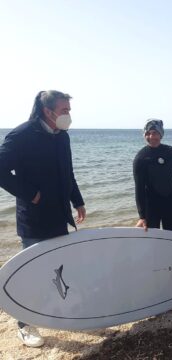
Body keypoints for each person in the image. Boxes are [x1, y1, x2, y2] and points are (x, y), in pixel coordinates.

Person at [0, 90, 86, 347]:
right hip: (34, 219)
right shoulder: (22, 135)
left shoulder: (62, 137)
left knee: (60, 267)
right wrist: (31, 195)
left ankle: (57, 312)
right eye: (64, 111)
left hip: (59, 215)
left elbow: (67, 173)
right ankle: (25, 325)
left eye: (69, 110)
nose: (68, 116)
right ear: (47, 111)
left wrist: (78, 200)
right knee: (33, 271)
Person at [133, 118, 172, 232]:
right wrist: (142, 217)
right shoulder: (141, 158)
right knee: (152, 242)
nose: (151, 137)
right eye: (147, 133)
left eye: (155, 133)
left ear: (161, 134)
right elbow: (139, 189)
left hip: (170, 204)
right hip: (151, 207)